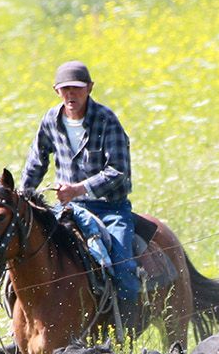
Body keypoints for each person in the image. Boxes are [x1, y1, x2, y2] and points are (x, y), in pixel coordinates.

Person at [20, 59, 139, 304]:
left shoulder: (107, 120)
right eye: (65, 89)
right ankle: (21, 332)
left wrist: (78, 189)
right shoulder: (51, 120)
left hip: (110, 210)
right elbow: (36, 161)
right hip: (67, 210)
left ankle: (125, 330)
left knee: (123, 270)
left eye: (77, 88)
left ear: (90, 88)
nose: (71, 94)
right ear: (57, 91)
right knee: (29, 258)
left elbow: (119, 171)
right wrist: (23, 195)